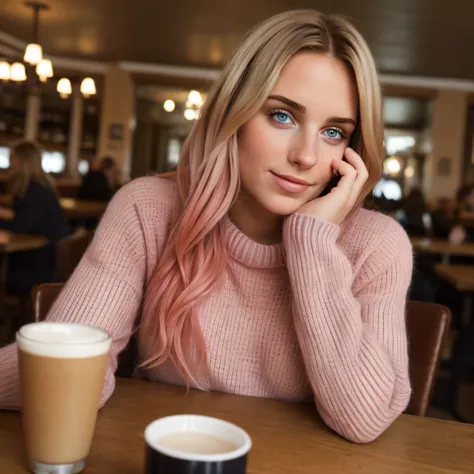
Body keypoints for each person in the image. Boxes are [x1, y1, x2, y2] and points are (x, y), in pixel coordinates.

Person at [0, 10, 412, 444]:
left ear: (353, 150)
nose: (306, 156)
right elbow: (69, 368)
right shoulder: (149, 210)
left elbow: (363, 419)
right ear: (234, 112)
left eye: (333, 132)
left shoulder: (377, 245)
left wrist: (312, 244)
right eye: (282, 116)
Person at [0, 141, 69, 296]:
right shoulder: (38, 187)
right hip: (43, 257)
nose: (10, 163)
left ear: (23, 162)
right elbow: (24, 218)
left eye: (13, 159)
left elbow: (20, 227)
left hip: (40, 265)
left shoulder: (36, 192)